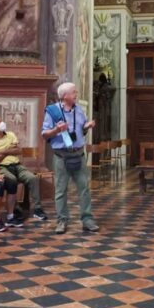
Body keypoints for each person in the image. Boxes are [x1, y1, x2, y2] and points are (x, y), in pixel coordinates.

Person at [41, 82, 98, 234]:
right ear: (65, 96)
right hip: (61, 157)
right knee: (60, 190)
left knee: (84, 188)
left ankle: (87, 219)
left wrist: (87, 126)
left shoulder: (79, 110)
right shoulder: (52, 112)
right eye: (74, 92)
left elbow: (80, 129)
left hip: (78, 155)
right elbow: (45, 134)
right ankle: (62, 220)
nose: (76, 94)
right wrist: (57, 129)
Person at [0, 115, 48, 221]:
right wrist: (9, 150)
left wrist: (0, 151)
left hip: (17, 165)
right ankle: (14, 209)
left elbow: (18, 150)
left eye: (1, 120)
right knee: (12, 180)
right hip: (2, 167)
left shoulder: (11, 134)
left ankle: (37, 209)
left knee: (33, 178)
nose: (2, 123)